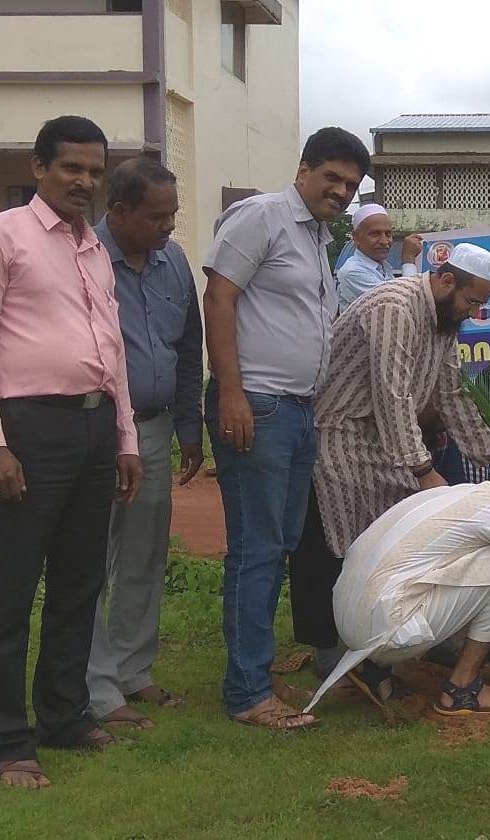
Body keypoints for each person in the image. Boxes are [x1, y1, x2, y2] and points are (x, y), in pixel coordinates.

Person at [0, 115, 144, 789]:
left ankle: (63, 715)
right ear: (39, 168)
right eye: (71, 168)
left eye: (95, 171)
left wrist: (124, 438)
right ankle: (9, 739)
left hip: (94, 428)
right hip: (29, 430)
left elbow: (112, 350)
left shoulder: (94, 248)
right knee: (13, 586)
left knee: (79, 581)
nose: (84, 182)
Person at [202, 126, 370, 730]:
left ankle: (254, 670)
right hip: (257, 406)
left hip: (299, 412)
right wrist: (231, 392)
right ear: (303, 169)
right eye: (332, 178)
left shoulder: (318, 237)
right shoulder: (263, 217)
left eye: (350, 185)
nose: (341, 192)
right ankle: (248, 694)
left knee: (278, 548)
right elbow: (218, 298)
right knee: (257, 550)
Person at [306, 243, 490, 686]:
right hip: (340, 432)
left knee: (410, 541)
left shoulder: (445, 320)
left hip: (386, 440)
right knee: (350, 545)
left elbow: (451, 394)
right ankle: (341, 652)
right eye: (472, 301)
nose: (474, 312)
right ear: (447, 280)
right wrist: (422, 470)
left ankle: (413, 635)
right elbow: (392, 394)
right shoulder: (395, 306)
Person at [305, 454, 490, 715]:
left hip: (347, 624)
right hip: (383, 632)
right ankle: (462, 687)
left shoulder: (456, 494)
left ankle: (374, 670)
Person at [86, 158, 203, 731]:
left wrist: (189, 425)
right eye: (157, 217)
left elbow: (189, 346)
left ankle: (134, 671)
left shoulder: (173, 262)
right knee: (88, 557)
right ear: (119, 211)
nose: (168, 226)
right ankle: (97, 689)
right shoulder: (84, 260)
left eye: (172, 215)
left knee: (143, 554)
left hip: (154, 429)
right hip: (96, 429)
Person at [336, 203, 423, 309]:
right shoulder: (353, 272)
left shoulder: (383, 267)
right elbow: (402, 304)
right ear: (356, 238)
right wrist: (408, 259)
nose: (384, 241)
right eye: (375, 234)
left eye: (388, 234)